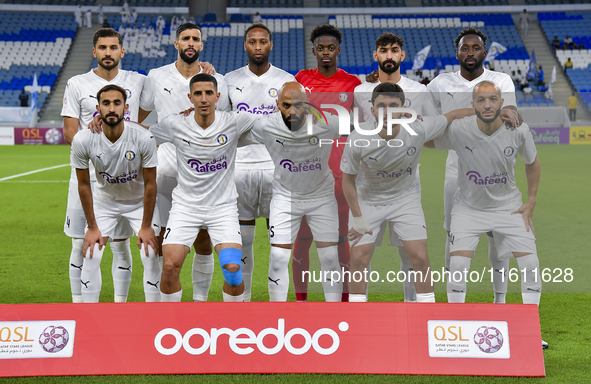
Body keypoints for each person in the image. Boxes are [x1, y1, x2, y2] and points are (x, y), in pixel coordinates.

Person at [430, 81, 544, 349]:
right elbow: (429, 141)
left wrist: (532, 200)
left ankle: (530, 329)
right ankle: (456, 329)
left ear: (502, 102)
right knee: (457, 267)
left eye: (493, 99)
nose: (487, 105)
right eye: (481, 100)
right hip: (468, 209)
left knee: (531, 265)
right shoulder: (459, 129)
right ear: (473, 104)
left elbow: (533, 163)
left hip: (510, 207)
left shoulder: (518, 130)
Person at [342, 83, 474, 303]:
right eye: (381, 106)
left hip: (405, 200)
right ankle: (356, 316)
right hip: (368, 201)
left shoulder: (418, 128)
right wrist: (357, 218)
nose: (387, 111)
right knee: (358, 258)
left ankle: (425, 313)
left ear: (403, 107)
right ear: (372, 110)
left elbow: (451, 116)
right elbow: (348, 180)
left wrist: (496, 111)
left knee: (420, 257)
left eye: (393, 105)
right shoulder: (358, 138)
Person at [426, 27, 521, 305]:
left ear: (485, 52)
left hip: (498, 172)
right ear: (457, 53)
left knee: (498, 238)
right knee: (454, 237)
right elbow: (417, 100)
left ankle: (500, 303)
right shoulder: (441, 83)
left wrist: (459, 118)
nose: (470, 52)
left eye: (475, 47)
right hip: (457, 171)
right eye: (465, 48)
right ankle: (454, 307)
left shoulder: (501, 80)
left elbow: (511, 116)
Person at [139, 23, 229, 302]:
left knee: (203, 241)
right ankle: (158, 305)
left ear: (201, 46)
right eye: (185, 38)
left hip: (202, 170)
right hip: (165, 169)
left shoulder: (217, 80)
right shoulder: (155, 76)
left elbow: (222, 124)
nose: (191, 43)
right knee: (161, 240)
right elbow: (140, 117)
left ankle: (199, 304)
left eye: (196, 39)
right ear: (176, 44)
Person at [149, 74, 258, 303]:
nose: (204, 98)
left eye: (209, 93)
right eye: (198, 93)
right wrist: (112, 123)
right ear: (190, 97)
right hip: (185, 208)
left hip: (223, 209)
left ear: (218, 96)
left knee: (232, 269)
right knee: (169, 266)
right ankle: (169, 328)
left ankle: (235, 327)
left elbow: (271, 122)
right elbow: (142, 136)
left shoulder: (234, 121)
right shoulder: (175, 124)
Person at [61, 28, 147, 304]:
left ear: (122, 51)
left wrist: (206, 69)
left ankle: (119, 306)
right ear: (94, 51)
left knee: (121, 245)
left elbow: (180, 83)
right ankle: (79, 305)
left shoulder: (139, 81)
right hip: (88, 177)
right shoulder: (77, 83)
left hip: (125, 179)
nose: (108, 53)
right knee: (81, 243)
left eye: (113, 48)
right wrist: (98, 151)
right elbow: (69, 133)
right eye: (102, 47)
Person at [353, 32, 438, 302]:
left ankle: (412, 310)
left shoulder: (419, 91)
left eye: (394, 50)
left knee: (411, 254)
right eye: (383, 50)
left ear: (402, 55)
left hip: (406, 187)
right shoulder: (360, 90)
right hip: (367, 188)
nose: (389, 55)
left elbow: (432, 137)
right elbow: (355, 134)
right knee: (361, 255)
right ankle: (358, 316)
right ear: (375, 56)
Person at [240, 82, 343, 302]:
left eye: (298, 105)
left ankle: (335, 315)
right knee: (278, 256)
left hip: (321, 198)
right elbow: (230, 135)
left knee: (329, 257)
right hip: (285, 198)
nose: (292, 111)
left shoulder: (327, 123)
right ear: (277, 105)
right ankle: (279, 314)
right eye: (286, 105)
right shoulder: (266, 126)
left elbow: (367, 127)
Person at [224, 23, 295, 302]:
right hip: (239, 170)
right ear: (245, 45)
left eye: (262, 42)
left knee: (279, 251)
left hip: (276, 171)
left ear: (270, 45)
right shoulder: (228, 80)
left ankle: (279, 312)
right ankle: (245, 304)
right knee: (244, 243)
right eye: (252, 42)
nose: (257, 47)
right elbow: (222, 126)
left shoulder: (286, 81)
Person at [71, 84, 161, 303]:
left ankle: (155, 317)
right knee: (91, 254)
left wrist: (146, 226)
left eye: (117, 103)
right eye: (106, 103)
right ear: (98, 108)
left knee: (150, 254)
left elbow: (151, 184)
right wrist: (92, 227)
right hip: (105, 203)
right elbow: (83, 185)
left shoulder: (143, 137)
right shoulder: (83, 139)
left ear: (126, 107)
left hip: (139, 204)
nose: (112, 108)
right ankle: (88, 317)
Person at [294, 24, 362, 302]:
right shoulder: (300, 79)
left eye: (330, 48)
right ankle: (301, 301)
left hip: (340, 176)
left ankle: (344, 302)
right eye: (320, 48)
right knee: (303, 241)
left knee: (341, 240)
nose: (325, 52)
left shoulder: (354, 84)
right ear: (313, 51)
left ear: (338, 50)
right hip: (307, 176)